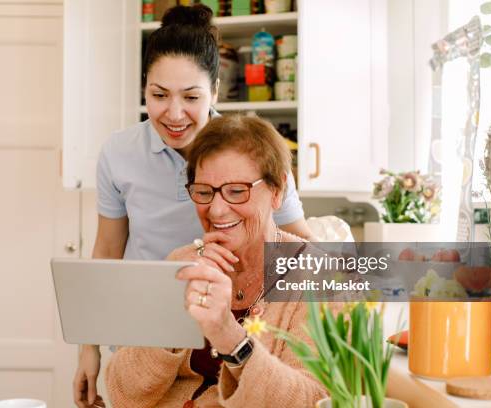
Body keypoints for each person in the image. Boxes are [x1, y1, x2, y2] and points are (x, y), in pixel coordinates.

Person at [74, 5, 313, 408]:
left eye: (191, 96)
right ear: (144, 90)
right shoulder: (119, 153)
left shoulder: (252, 153)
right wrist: (89, 348)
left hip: (237, 322)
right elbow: (107, 253)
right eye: (159, 95)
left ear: (215, 92)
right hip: (148, 334)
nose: (174, 113)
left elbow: (302, 246)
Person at [105, 114, 329, 407]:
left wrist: (230, 337)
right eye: (204, 192)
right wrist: (172, 316)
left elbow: (314, 400)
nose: (217, 210)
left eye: (237, 191)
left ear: (277, 191)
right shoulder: (181, 263)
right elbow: (123, 393)